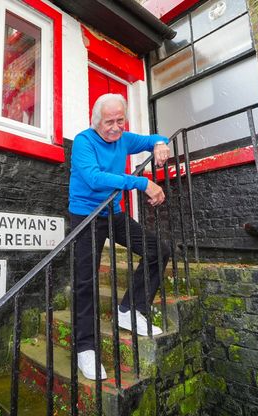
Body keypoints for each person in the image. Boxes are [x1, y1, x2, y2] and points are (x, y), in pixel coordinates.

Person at [69, 93, 172, 380]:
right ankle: (85, 349)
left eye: (119, 121)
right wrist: (141, 182)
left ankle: (129, 309)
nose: (115, 127)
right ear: (96, 121)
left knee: (158, 250)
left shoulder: (124, 138)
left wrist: (160, 142)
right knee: (86, 282)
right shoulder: (84, 141)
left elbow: (152, 138)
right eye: (108, 122)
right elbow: (94, 177)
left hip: (112, 214)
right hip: (86, 216)